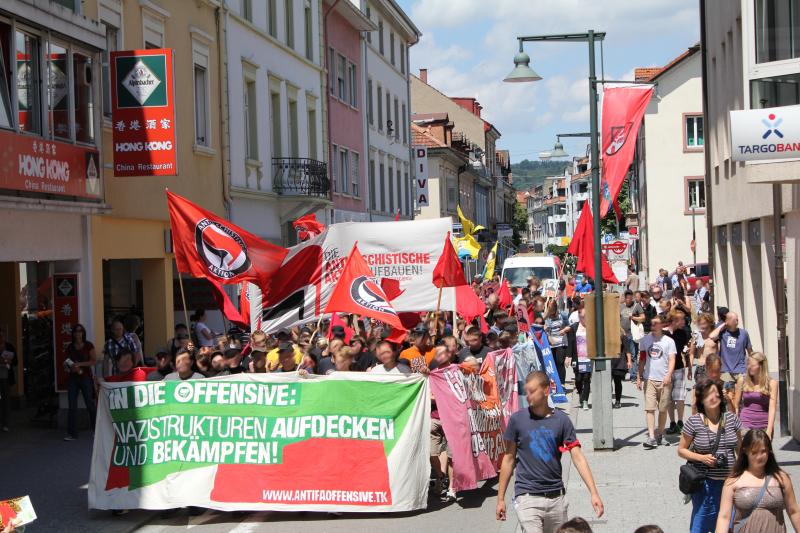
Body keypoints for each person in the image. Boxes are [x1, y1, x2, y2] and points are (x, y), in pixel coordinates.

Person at [497, 371, 604, 531]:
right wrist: (500, 499)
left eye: (532, 391)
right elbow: (509, 459)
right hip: (527, 496)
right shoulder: (517, 420)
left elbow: (578, 458)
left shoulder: (562, 420)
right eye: (526, 391)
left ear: (546, 390)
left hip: (556, 497)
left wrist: (593, 493)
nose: (528, 396)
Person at [678, 378, 742, 533]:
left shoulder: (732, 419)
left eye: (715, 393)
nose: (713, 397)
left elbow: (741, 450)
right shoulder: (694, 422)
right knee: (701, 525)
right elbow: (681, 450)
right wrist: (702, 458)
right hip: (705, 485)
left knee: (730, 525)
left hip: (730, 483)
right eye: (708, 395)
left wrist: (743, 474)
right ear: (701, 400)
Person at [716, 429, 800, 533]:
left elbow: (794, 511)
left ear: (769, 451)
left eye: (763, 451)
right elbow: (724, 517)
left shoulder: (781, 478)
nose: (759, 457)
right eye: (754, 452)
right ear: (745, 451)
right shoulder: (733, 481)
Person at [637, 315, 676, 449]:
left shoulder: (669, 342)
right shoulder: (645, 340)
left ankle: (660, 434)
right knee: (649, 408)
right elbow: (642, 359)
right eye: (651, 323)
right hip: (650, 379)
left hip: (664, 379)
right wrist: (639, 376)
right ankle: (652, 437)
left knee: (663, 409)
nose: (652, 325)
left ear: (662, 325)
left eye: (655, 323)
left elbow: (672, 360)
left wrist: (669, 375)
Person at [733, 352, 778, 438]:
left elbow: (772, 408)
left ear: (761, 366)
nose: (749, 367)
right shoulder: (742, 380)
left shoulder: (772, 383)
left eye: (752, 365)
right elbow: (736, 405)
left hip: (764, 426)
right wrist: (735, 426)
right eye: (748, 364)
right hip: (745, 426)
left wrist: (769, 429)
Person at [64, 323, 97, 441]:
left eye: (80, 331)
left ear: (83, 333)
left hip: (85, 377)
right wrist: (70, 366)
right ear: (73, 333)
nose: (78, 333)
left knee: (90, 404)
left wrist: (80, 364)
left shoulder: (88, 345)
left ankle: (96, 429)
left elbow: (93, 361)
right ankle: (72, 433)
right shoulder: (70, 347)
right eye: (76, 331)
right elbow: (67, 362)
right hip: (73, 377)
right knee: (72, 405)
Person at [711, 312, 754, 393]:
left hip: (741, 370)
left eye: (737, 320)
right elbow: (712, 336)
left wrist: (751, 366)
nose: (737, 322)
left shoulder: (743, 333)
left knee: (740, 396)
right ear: (727, 321)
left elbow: (750, 351)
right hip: (726, 371)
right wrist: (723, 325)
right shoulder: (722, 333)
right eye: (734, 320)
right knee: (727, 396)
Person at [665, 309, 692, 435]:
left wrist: (690, 367)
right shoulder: (664, 334)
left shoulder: (683, 333)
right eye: (681, 319)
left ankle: (680, 421)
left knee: (680, 397)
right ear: (675, 320)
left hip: (679, 368)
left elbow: (686, 351)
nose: (684, 322)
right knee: (669, 398)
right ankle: (672, 422)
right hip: (665, 370)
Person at [544, 300, 571, 386]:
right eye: (548, 308)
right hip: (551, 343)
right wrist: (545, 330)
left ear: (555, 308)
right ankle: (555, 383)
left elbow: (569, 326)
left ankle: (562, 383)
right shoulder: (546, 317)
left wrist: (564, 330)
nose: (550, 311)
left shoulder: (562, 315)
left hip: (561, 342)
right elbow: (543, 327)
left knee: (560, 362)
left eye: (551, 309)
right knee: (553, 364)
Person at [573, 309, 592, 410]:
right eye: (583, 317)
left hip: (588, 359)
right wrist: (568, 356)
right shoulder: (575, 327)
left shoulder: (591, 327)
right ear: (579, 317)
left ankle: (585, 401)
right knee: (578, 379)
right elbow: (571, 343)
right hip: (577, 359)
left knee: (586, 379)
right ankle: (581, 393)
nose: (585, 319)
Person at [612, 328, 633, 409]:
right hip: (609, 362)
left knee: (617, 382)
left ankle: (618, 400)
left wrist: (629, 361)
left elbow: (627, 350)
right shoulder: (607, 335)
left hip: (619, 362)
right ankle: (607, 400)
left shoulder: (623, 336)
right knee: (607, 383)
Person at [0, 329, 16, 432]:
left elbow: (16, 361)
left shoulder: (9, 346)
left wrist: (9, 361)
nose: (1, 338)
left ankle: (5, 423)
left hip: (5, 377)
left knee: (5, 400)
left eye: (2, 336)